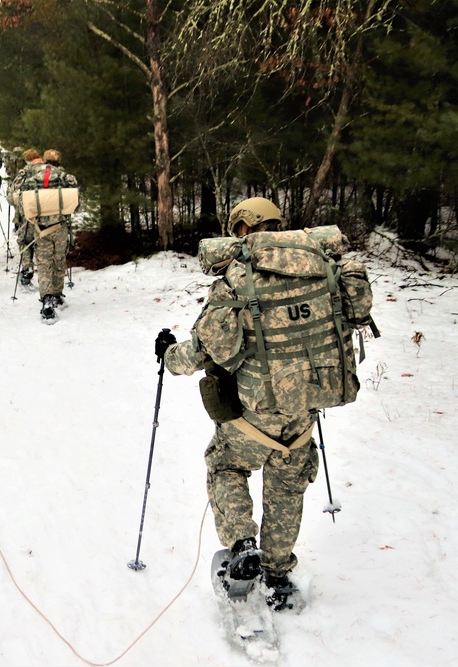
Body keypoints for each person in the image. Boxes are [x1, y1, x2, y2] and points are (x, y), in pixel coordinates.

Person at [156, 196, 374, 611]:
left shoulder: (239, 279)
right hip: (305, 410)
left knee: (226, 465)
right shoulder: (323, 269)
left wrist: (168, 355)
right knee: (287, 488)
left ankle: (242, 544)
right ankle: (277, 572)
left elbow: (205, 351)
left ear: (241, 228)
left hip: (254, 414)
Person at [15, 149, 79, 322]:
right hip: (59, 227)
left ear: (44, 160)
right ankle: (57, 294)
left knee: (43, 264)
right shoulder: (66, 178)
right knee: (59, 260)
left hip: (40, 228)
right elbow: (76, 204)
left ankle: (47, 299)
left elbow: (22, 206)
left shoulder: (31, 179)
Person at [9, 148, 41, 288]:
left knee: (25, 241)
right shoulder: (49, 171)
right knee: (43, 242)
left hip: (27, 213)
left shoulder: (25, 172)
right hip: (47, 214)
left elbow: (13, 194)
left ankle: (27, 267)